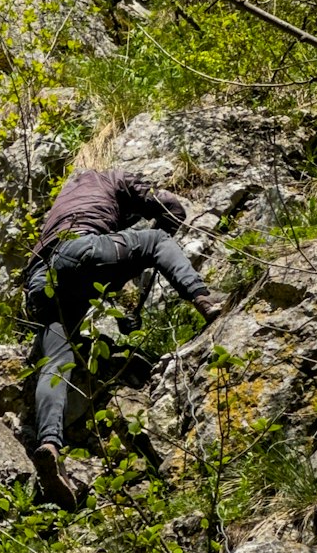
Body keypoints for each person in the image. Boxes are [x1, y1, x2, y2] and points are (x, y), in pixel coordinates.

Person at [24, 168, 223, 510]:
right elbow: (170, 208)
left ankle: (50, 447)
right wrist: (154, 240)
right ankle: (206, 301)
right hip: (80, 249)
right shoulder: (114, 178)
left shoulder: (67, 198)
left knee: (57, 362)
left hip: (40, 279)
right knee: (156, 242)